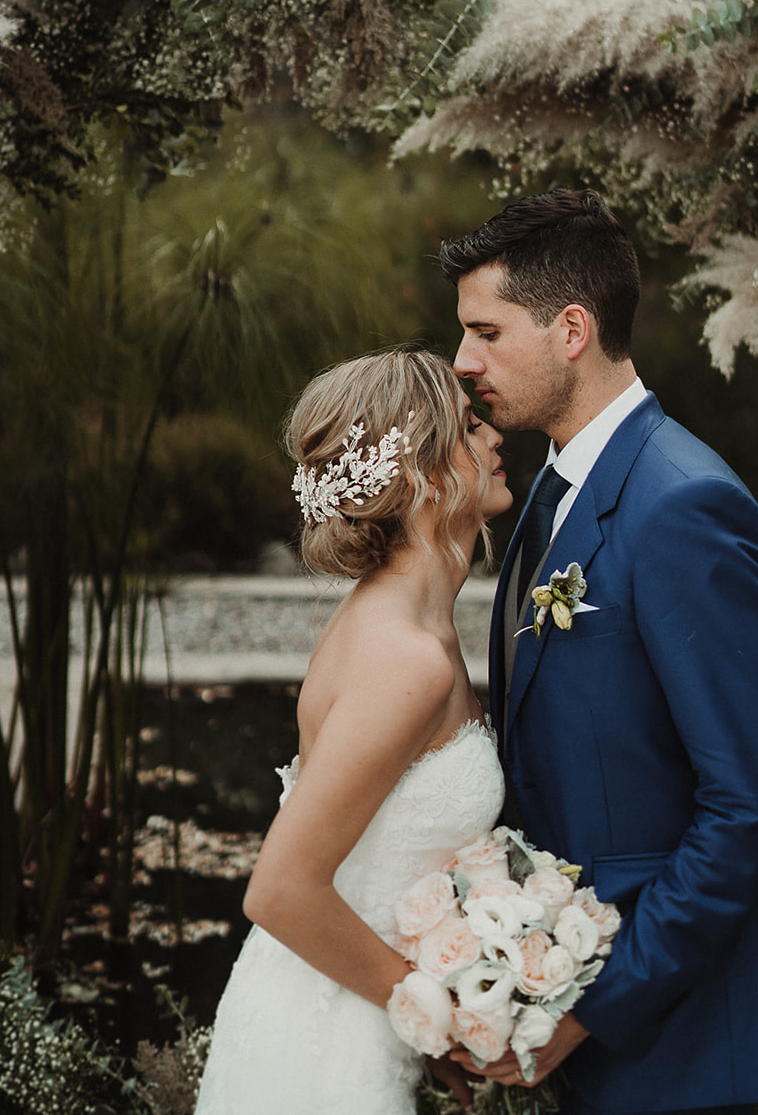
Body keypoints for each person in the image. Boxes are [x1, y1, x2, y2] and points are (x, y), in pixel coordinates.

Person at [441, 188, 758, 1115]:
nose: (462, 360)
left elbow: (754, 810)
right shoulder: (552, 490)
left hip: (671, 1053)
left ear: (571, 328)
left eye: (486, 332)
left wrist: (591, 1007)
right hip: (568, 1034)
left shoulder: (685, 508)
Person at [193, 348, 511, 1115]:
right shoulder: (401, 655)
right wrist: (439, 1017)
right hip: (324, 1046)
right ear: (423, 475)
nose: (496, 436)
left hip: (351, 1008)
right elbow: (280, 890)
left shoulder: (414, 623)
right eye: (471, 428)